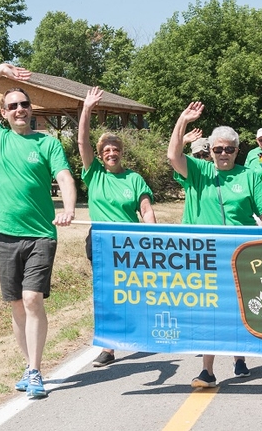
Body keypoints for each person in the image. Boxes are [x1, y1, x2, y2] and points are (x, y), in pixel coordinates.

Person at [0, 63, 76, 399]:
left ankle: (37, 370)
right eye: (12, 106)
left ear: (31, 110)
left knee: (31, 298)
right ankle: (29, 366)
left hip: (41, 233)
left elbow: (65, 178)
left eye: (24, 104)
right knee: (15, 304)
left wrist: (68, 208)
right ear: (4, 113)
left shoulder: (47, 144)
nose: (19, 110)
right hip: (6, 234)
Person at [167, 101, 262, 388]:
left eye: (229, 149)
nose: (223, 154)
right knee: (209, 311)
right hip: (203, 256)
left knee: (238, 308)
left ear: (237, 151)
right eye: (218, 149)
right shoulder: (197, 171)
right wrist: (182, 121)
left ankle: (240, 357)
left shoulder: (250, 176)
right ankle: (207, 370)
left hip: (240, 254)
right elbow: (172, 154)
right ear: (210, 151)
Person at [78, 86, 157, 368]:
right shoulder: (94, 173)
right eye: (106, 150)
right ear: (100, 155)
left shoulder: (134, 178)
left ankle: (138, 331)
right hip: (101, 240)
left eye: (116, 150)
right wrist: (87, 109)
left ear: (122, 153)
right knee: (106, 293)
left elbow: (146, 210)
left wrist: (153, 236)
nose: (111, 153)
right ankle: (108, 348)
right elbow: (82, 143)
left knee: (133, 292)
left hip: (131, 242)